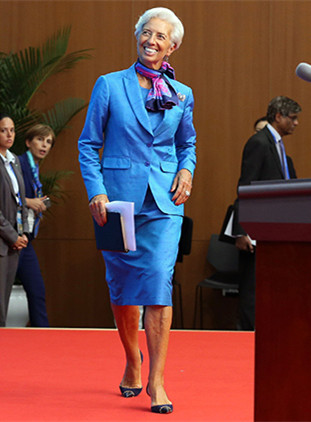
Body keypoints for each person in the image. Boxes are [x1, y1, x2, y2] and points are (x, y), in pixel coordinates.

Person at [78, 7, 196, 414]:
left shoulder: (183, 94)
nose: (151, 40)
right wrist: (96, 191)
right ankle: (132, 360)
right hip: (116, 201)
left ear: (173, 46)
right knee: (123, 288)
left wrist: (186, 169)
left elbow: (188, 143)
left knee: (160, 281)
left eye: (160, 36)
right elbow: (88, 144)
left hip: (165, 202)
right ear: (138, 36)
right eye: (146, 33)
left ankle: (157, 382)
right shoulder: (109, 85)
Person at [233, 96, 301, 330]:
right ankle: (248, 335)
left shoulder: (278, 146)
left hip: (276, 228)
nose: (296, 123)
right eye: (292, 118)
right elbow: (246, 186)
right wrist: (242, 230)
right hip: (257, 228)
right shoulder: (259, 143)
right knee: (253, 287)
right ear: (278, 116)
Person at [16, 124, 55, 327]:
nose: (44, 145)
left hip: (27, 239)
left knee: (37, 290)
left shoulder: (35, 168)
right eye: (40, 139)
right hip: (11, 239)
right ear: (28, 141)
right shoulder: (18, 163)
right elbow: (8, 195)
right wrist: (29, 201)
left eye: (48, 142)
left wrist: (37, 203)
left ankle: (44, 336)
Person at [0, 112, 29, 326]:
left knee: (5, 300)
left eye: (11, 130)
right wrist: (11, 235)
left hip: (14, 241)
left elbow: (21, 201)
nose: (8, 134)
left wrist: (23, 233)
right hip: (3, 240)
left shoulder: (15, 161)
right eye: (3, 130)